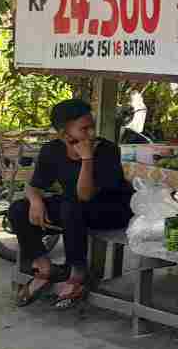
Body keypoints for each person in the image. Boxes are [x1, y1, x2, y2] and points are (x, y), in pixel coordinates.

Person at [8, 99, 135, 309]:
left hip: (111, 210)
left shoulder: (107, 150)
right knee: (19, 209)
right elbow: (33, 185)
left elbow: (85, 196)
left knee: (71, 205)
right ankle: (44, 268)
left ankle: (78, 274)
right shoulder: (52, 150)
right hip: (74, 209)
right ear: (64, 134)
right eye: (84, 129)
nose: (91, 133)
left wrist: (87, 159)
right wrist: (36, 200)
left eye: (92, 126)